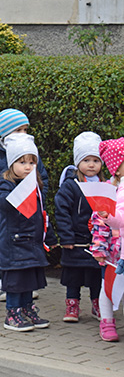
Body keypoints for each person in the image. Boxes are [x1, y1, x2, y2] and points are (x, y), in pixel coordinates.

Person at [0, 109, 50, 301]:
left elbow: (42, 179)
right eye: (18, 130)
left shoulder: (30, 153)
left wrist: (38, 199)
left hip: (27, 213)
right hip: (0, 211)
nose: (23, 134)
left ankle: (24, 284)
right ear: (5, 132)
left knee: (25, 245)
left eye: (25, 129)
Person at [0, 134, 56, 332]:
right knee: (16, 280)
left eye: (31, 162)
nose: (28, 167)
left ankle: (28, 309)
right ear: (12, 164)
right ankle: (12, 312)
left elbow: (40, 214)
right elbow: (2, 203)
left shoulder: (35, 187)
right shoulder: (6, 184)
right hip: (14, 242)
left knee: (29, 279)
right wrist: (17, 194)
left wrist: (50, 236)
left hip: (32, 242)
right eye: (22, 162)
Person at [54, 132, 104, 322]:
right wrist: (66, 237)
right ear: (77, 163)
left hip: (96, 241)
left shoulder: (105, 184)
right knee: (73, 274)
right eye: (86, 160)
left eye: (95, 160)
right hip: (75, 240)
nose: (91, 165)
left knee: (95, 275)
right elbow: (62, 211)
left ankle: (97, 303)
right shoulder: (70, 185)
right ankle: (72, 304)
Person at [95, 137, 124, 341]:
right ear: (118, 168)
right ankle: (106, 320)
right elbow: (113, 220)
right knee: (109, 285)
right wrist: (99, 249)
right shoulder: (112, 191)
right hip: (114, 249)